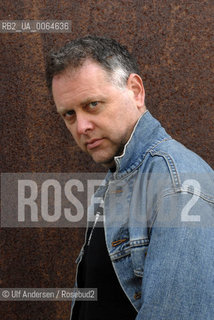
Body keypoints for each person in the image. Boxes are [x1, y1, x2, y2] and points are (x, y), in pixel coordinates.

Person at [46, 36, 214, 320]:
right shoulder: (119, 178)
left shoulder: (178, 186)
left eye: (93, 104)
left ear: (135, 91)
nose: (81, 126)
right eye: (69, 114)